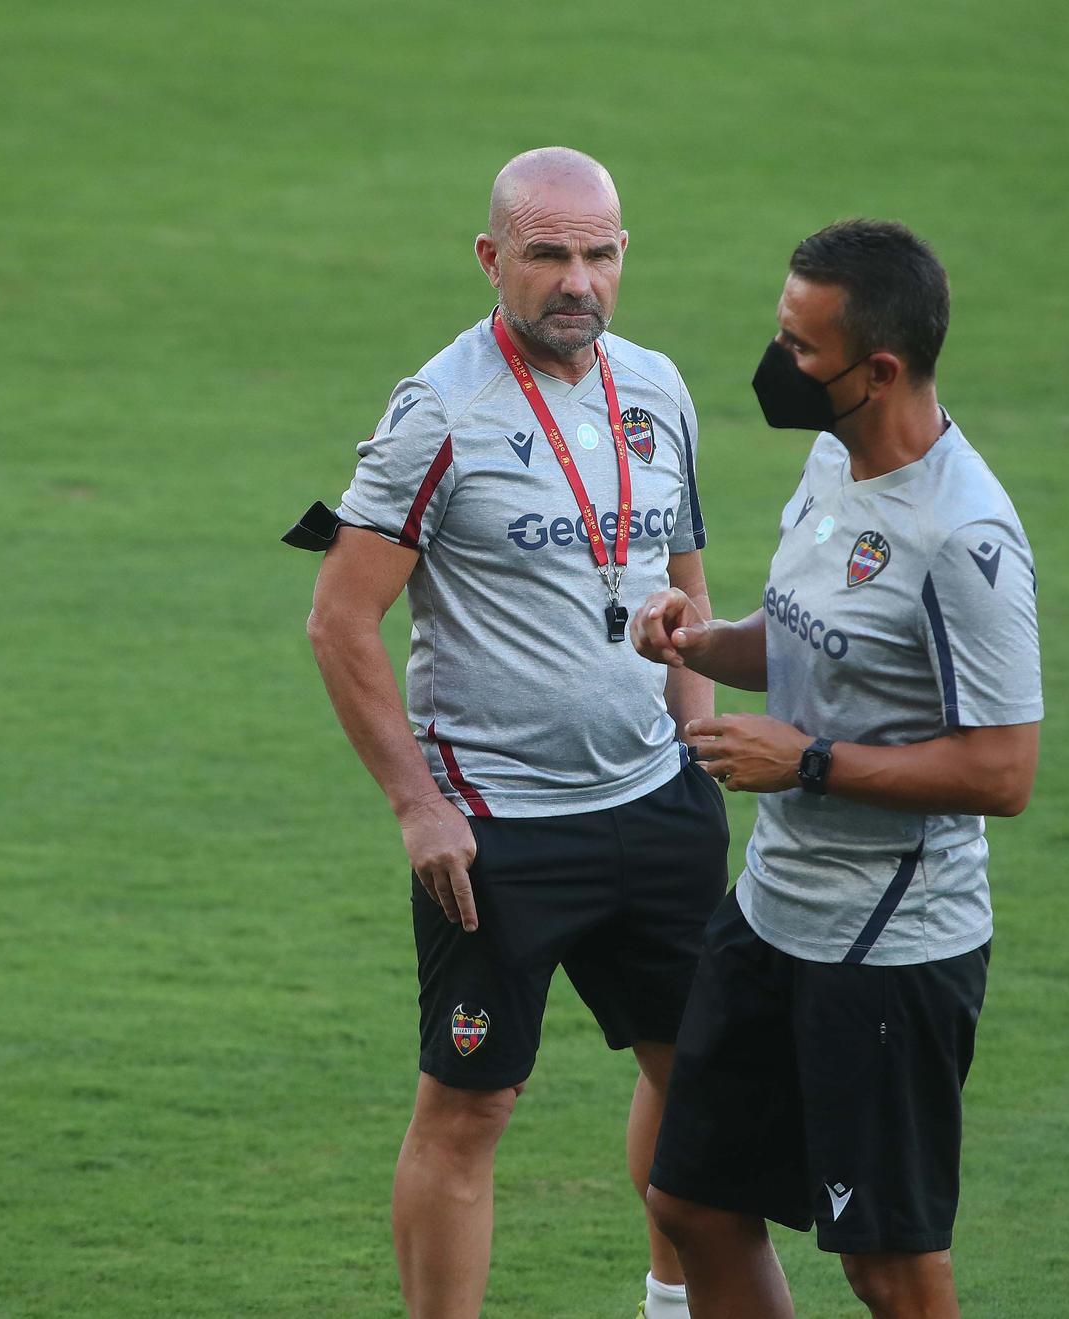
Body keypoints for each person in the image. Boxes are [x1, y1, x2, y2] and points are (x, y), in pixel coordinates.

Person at [293, 147, 729, 1319]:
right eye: (547, 253)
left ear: (624, 255)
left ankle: (670, 1303)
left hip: (655, 801)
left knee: (694, 1076)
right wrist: (416, 804)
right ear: (493, 259)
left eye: (598, 253)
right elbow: (338, 620)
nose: (575, 280)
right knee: (469, 1104)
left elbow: (678, 573)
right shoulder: (438, 410)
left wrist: (697, 726)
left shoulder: (657, 389)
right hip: (500, 829)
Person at [632, 219, 1042, 1319]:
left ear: (880, 369)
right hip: (771, 909)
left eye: (799, 348)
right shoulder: (829, 456)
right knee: (693, 1201)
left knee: (884, 1265)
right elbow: (809, 627)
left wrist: (803, 759)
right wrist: (702, 641)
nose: (776, 367)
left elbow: (1002, 769)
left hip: (889, 946)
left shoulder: (964, 538)